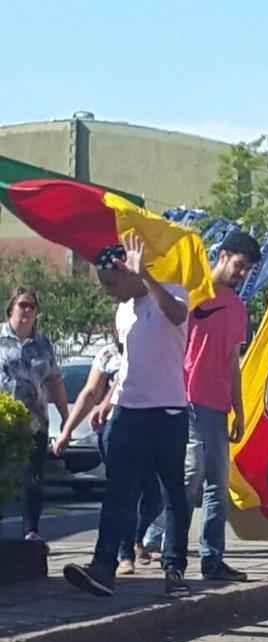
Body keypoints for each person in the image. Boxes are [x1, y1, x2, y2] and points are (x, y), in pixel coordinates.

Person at [63, 233, 193, 597]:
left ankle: (174, 569)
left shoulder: (171, 292)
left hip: (168, 412)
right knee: (118, 491)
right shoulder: (122, 312)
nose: (108, 291)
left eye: (110, 282)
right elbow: (128, 365)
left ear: (127, 270)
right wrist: (108, 402)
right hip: (128, 412)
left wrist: (148, 277)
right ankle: (103, 568)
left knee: (173, 493)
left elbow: (178, 315)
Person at [141, 230, 258, 581]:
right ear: (222, 255)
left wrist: (238, 408)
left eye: (248, 270)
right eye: (239, 265)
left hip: (218, 404)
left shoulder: (237, 307)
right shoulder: (190, 293)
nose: (241, 274)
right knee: (189, 477)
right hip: (185, 398)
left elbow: (232, 361)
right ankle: (159, 542)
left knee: (217, 485)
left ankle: (212, 558)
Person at [53, 334, 162, 574]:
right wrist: (67, 430)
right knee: (125, 492)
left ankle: (135, 539)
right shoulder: (108, 353)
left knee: (155, 497)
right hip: (114, 429)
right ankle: (123, 556)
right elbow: (90, 392)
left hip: (148, 426)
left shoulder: (152, 346)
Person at [0, 287, 69, 542]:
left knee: (32, 479)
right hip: (3, 423)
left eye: (32, 306)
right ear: (11, 309)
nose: (27, 310)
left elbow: (55, 380)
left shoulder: (42, 343)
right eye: (22, 305)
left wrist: (65, 416)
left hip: (34, 423)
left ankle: (31, 532)